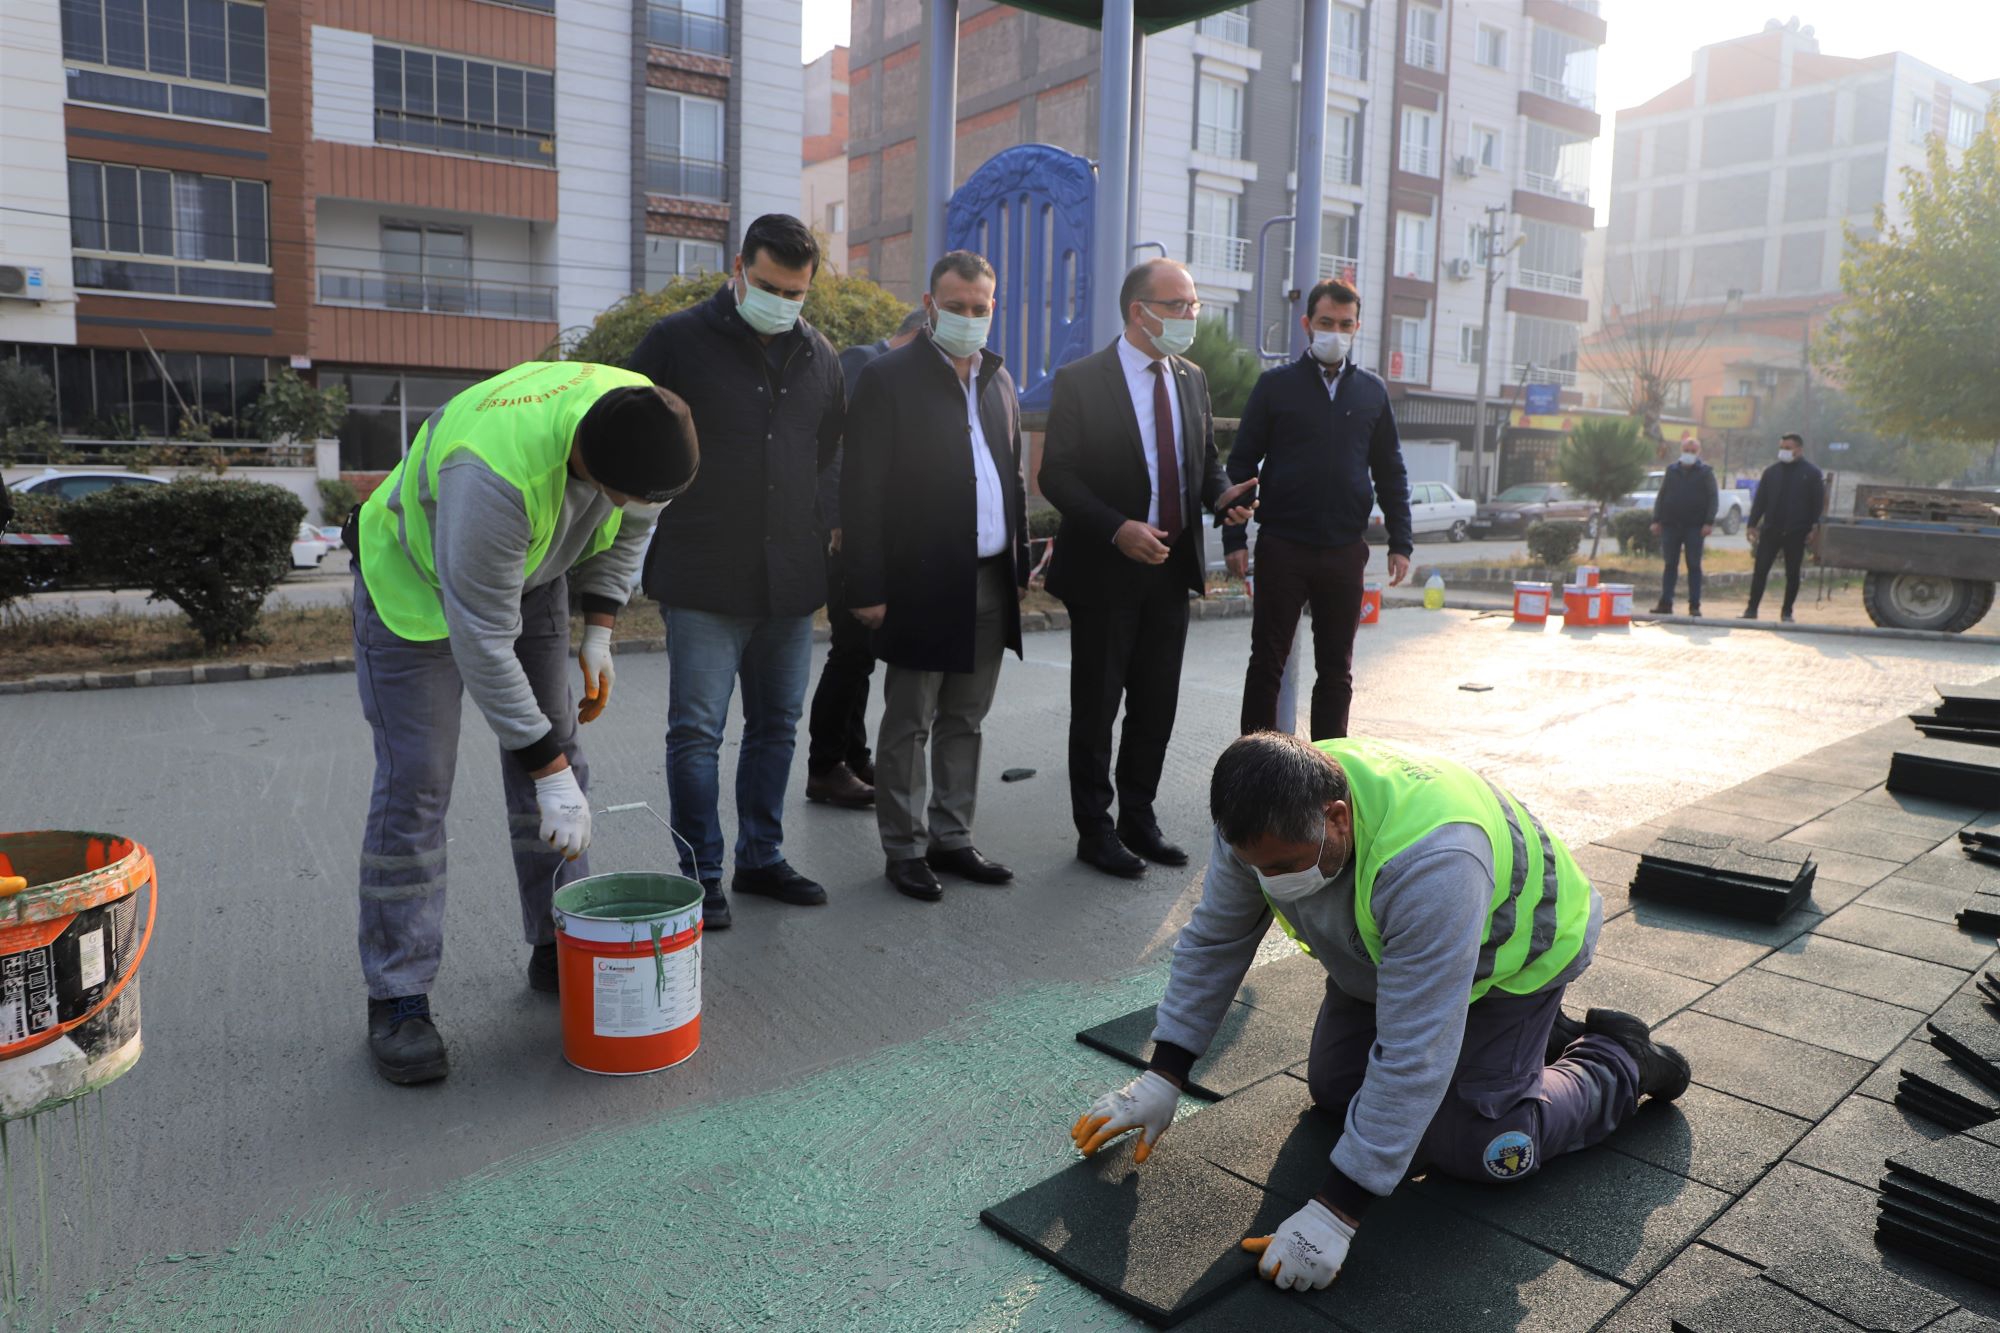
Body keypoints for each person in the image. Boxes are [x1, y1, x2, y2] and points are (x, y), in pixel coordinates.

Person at [1070, 733, 1690, 1293]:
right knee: (1340, 1090)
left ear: (1336, 818)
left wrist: (1335, 1213)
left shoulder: (1434, 862)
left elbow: (1415, 1049)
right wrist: (1164, 1073)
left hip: (1514, 962)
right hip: (1392, 959)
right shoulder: (1256, 815)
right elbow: (1215, 939)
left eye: (1286, 866)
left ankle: (1616, 1060)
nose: (1273, 881)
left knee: (1480, 1146)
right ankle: (1518, 1044)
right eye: (1263, 869)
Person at [349, 360, 699, 1084]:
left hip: (531, 572)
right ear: (593, 467)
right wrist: (550, 774)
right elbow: (479, 640)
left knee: (558, 750)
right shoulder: (494, 479)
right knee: (419, 782)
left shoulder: (646, 419)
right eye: (628, 494)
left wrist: (599, 625)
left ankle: (559, 943)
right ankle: (398, 994)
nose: (641, 505)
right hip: (415, 587)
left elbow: (634, 526)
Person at [627, 215, 846, 929]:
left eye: (796, 291)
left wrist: (823, 526)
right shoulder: (677, 341)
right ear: (738, 267)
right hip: (703, 574)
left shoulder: (821, 357)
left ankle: (761, 857)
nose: (782, 301)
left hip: (789, 577)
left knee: (777, 726)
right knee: (696, 730)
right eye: (769, 285)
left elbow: (828, 452)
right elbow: (625, 431)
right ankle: (701, 874)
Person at [1038, 257, 1258, 879]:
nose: (1192, 316)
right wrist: (1117, 527)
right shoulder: (1083, 379)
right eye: (1180, 305)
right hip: (1107, 568)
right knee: (1098, 705)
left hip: (1170, 566)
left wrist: (1223, 497)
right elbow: (1056, 474)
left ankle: (1139, 816)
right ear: (1140, 312)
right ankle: (1096, 830)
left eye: (1193, 305)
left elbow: (1204, 461)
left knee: (1156, 703)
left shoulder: (1190, 376)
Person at [841, 251, 1029, 901]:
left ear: (992, 308)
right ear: (929, 304)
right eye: (956, 306)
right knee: (909, 720)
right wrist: (864, 586)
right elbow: (860, 489)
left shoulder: (1000, 380)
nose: (969, 317)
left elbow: (1012, 477)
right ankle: (904, 846)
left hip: (986, 579)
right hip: (917, 580)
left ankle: (952, 836)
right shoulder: (888, 378)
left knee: (965, 718)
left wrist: (1020, 564)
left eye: (980, 307)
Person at [1226, 280, 1412, 741]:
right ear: (1307, 324)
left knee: (1337, 670)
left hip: (1345, 550)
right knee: (1266, 662)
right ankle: (1256, 775)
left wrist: (1400, 542)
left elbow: (1390, 470)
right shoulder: (1275, 387)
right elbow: (1241, 464)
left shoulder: (1372, 392)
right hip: (1283, 545)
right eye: (1326, 323)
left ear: (1357, 327)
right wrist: (1234, 538)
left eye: (1345, 325)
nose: (1336, 332)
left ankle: (1329, 776)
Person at [804, 307, 930, 811]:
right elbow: (837, 450)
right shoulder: (864, 362)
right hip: (848, 540)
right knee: (850, 653)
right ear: (920, 332)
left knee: (860, 657)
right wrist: (840, 522)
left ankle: (853, 758)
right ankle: (825, 765)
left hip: (874, 538)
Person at [1741, 432, 1825, 624]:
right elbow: (1760, 500)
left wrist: (1814, 527)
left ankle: (1787, 612)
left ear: (1799, 450)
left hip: (1797, 532)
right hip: (1771, 530)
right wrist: (1752, 524)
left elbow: (1817, 503)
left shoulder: (1811, 473)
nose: (1784, 452)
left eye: (1788, 448)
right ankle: (1751, 609)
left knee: (1792, 573)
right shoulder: (1771, 472)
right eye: (1781, 448)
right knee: (1760, 570)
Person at [1649, 437, 1718, 617]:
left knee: (1694, 565)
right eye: (1686, 450)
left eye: (1693, 451)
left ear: (1698, 452)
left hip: (1695, 527)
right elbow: (1662, 496)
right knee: (1670, 564)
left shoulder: (1705, 472)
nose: (1689, 454)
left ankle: (1694, 605)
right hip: (1671, 525)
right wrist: (1656, 520)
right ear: (1681, 450)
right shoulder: (1672, 470)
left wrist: (1708, 522)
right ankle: (1666, 603)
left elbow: (1713, 498)